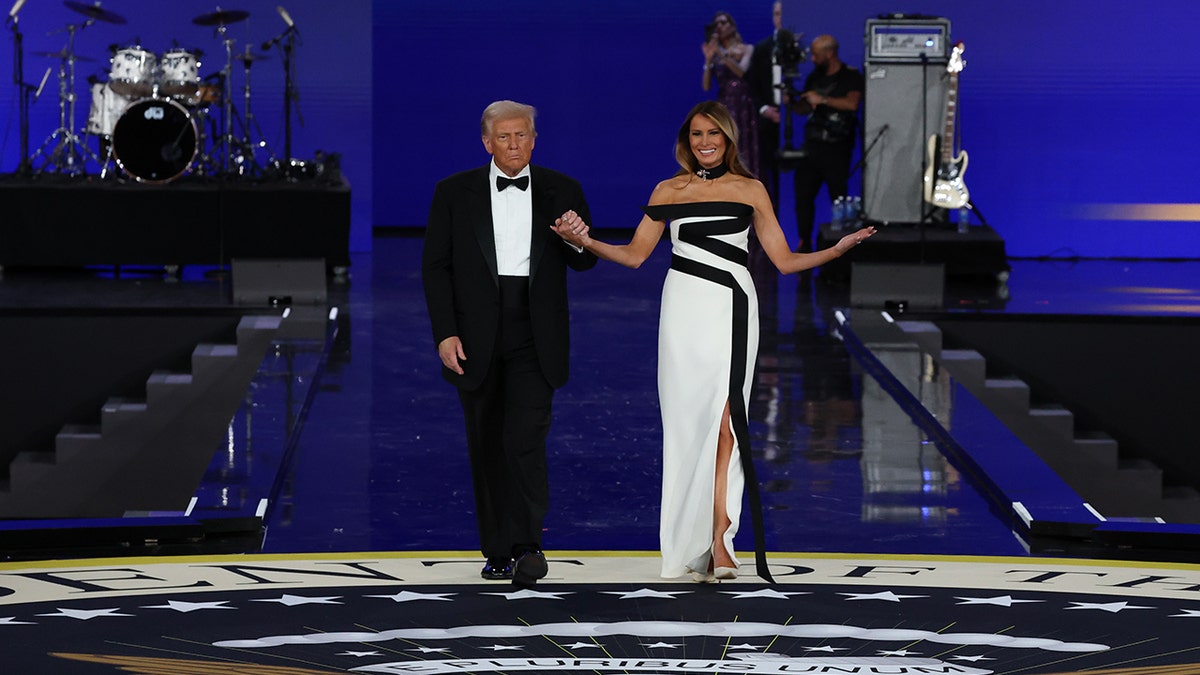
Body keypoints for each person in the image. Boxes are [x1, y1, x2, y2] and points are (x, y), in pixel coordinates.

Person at [552, 101, 874, 582]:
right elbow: (636, 255)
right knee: (687, 424)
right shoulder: (668, 190)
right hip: (682, 310)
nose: (705, 142)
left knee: (728, 420)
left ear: (728, 140)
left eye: (714, 135)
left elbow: (783, 261)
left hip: (732, 309)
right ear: (687, 139)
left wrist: (835, 249)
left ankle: (721, 537)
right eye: (697, 134)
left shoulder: (749, 189)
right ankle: (691, 541)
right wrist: (582, 241)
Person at [422, 100, 598, 588]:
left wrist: (575, 240)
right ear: (486, 142)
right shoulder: (453, 193)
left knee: (525, 438)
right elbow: (435, 268)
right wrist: (444, 332)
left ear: (535, 139)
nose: (514, 145)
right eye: (504, 137)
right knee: (486, 442)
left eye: (522, 136)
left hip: (535, 332)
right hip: (473, 335)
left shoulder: (563, 189)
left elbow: (585, 262)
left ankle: (526, 546)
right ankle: (496, 550)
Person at [789, 35, 864, 252]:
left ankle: (841, 244)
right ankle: (804, 242)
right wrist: (794, 101)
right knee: (803, 197)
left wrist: (822, 99)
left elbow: (852, 104)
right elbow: (804, 109)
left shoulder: (850, 76)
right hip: (812, 146)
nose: (812, 59)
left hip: (837, 147)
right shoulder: (815, 77)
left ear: (829, 53)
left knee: (837, 198)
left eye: (816, 54)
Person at [702, 11, 758, 177]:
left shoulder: (746, 49)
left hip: (743, 103)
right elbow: (706, 86)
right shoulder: (715, 54)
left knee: (744, 145)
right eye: (717, 24)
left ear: (732, 26)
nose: (720, 27)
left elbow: (741, 72)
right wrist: (708, 59)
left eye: (724, 22)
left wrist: (721, 53)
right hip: (725, 103)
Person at [746, 1, 786, 206]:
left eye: (784, 13)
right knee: (767, 175)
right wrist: (764, 109)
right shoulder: (762, 48)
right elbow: (752, 84)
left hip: (795, 121)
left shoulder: (803, 48)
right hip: (768, 120)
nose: (780, 18)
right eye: (777, 14)